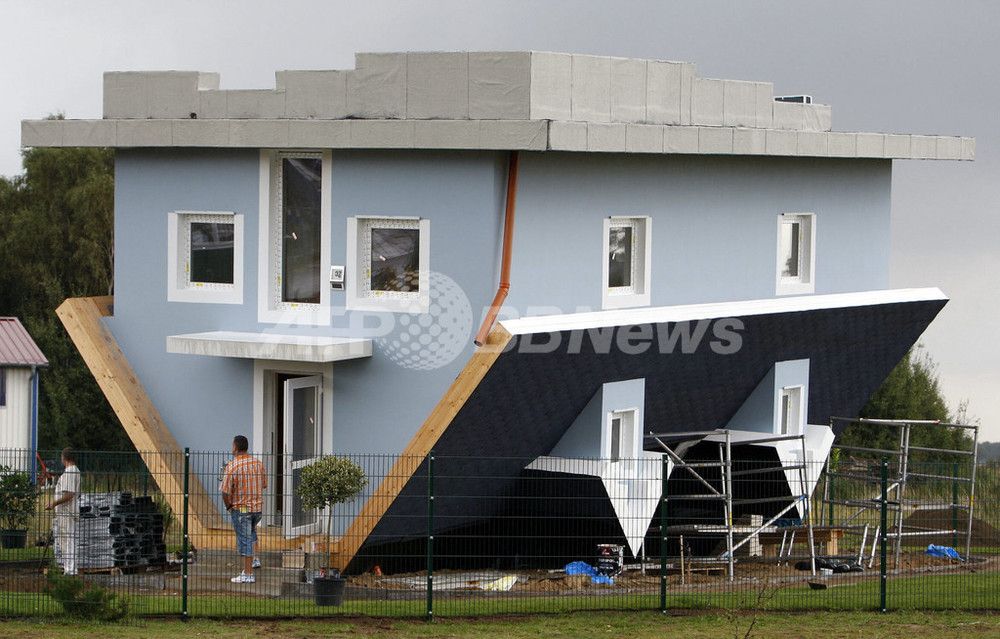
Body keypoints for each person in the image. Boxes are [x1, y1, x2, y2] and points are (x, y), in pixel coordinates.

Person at [219, 435, 266, 584]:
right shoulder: (258, 464)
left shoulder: (232, 466)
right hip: (257, 509)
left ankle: (248, 574)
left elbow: (225, 492)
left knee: (244, 538)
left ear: (234, 448)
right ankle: (255, 559)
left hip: (242, 509)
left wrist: (230, 507)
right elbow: (264, 484)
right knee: (251, 531)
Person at [45, 448, 81, 575]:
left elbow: (69, 494)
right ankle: (69, 569)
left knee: (67, 540)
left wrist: (53, 504)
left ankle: (71, 570)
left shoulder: (70, 472)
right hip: (67, 511)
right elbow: (78, 494)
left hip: (66, 512)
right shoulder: (75, 472)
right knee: (66, 540)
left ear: (64, 457)